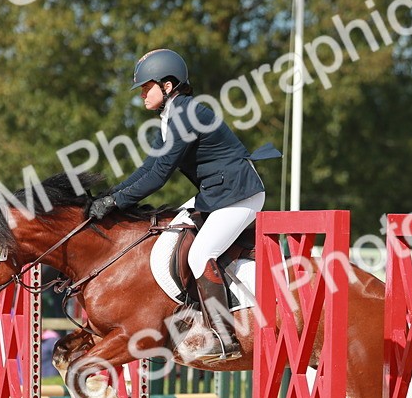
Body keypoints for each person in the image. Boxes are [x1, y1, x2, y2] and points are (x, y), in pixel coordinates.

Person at [88, 49, 278, 363]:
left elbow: (159, 176)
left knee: (201, 253)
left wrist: (115, 202)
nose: (141, 95)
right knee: (171, 234)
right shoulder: (171, 116)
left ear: (167, 85)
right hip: (216, 195)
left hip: (239, 195)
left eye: (146, 88)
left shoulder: (186, 114)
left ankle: (222, 334)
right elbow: (147, 169)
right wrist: (108, 198)